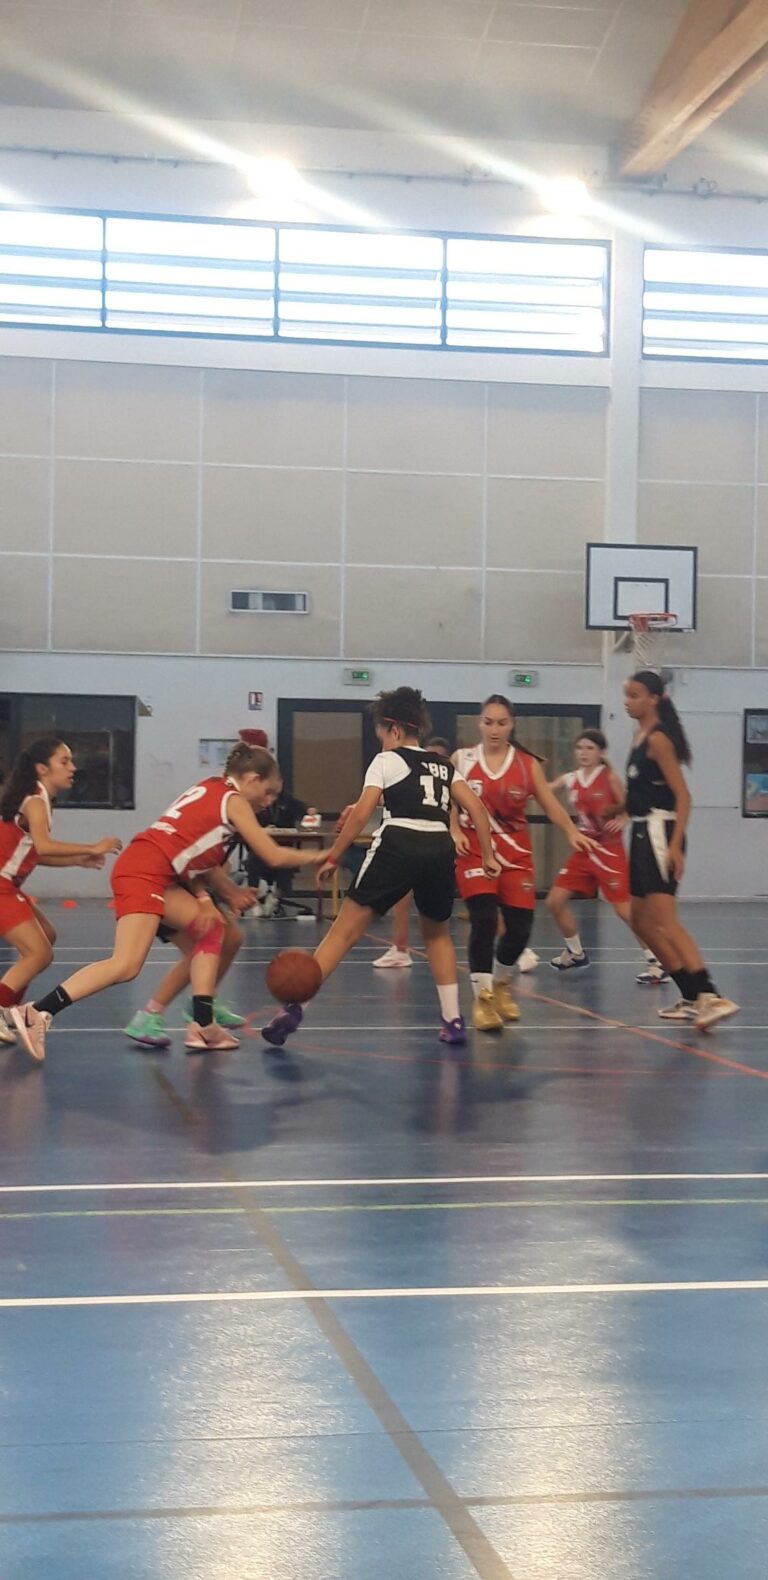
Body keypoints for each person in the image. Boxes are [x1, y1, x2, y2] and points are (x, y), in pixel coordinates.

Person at [10, 742, 324, 1063]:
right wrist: (321, 855)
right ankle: (39, 1012)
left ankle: (199, 1017)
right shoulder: (233, 800)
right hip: (146, 873)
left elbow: (192, 857)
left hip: (158, 872)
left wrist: (211, 896)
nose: (268, 802)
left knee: (215, 932)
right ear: (253, 779)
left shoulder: (210, 789)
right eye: (268, 793)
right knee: (125, 965)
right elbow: (271, 854)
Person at [261, 688, 499, 1049]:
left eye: (382, 735)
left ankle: (296, 1008)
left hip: (398, 843)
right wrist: (488, 856)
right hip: (438, 848)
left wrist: (334, 855)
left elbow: (361, 814)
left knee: (343, 932)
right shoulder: (443, 765)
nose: (382, 742)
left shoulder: (386, 760)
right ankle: (453, 1020)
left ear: (395, 730)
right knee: (437, 935)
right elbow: (477, 809)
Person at [453, 695, 597, 1033]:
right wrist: (454, 828)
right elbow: (448, 799)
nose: (494, 729)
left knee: (519, 930)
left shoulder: (526, 765)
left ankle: (501, 985)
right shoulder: (462, 759)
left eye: (502, 723)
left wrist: (571, 831)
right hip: (476, 851)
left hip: (516, 855)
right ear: (479, 723)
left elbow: (551, 805)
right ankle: (482, 999)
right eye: (489, 722)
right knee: (484, 920)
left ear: (512, 725)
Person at [624, 670, 738, 1032]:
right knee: (640, 921)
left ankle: (712, 996)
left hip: (661, 831)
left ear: (653, 699)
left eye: (634, 695)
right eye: (626, 695)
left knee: (665, 920)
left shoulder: (659, 740)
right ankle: (691, 995)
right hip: (641, 831)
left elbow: (684, 796)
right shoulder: (638, 737)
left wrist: (675, 846)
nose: (627, 701)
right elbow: (639, 794)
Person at [0, 737, 122, 1047]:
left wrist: (78, 860)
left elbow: (34, 854)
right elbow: (44, 846)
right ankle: (3, 1007)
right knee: (39, 953)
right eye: (64, 761)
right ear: (42, 768)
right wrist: (92, 846)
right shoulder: (35, 801)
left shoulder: (39, 799)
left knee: (46, 935)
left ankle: (8, 1005)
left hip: (8, 886)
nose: (73, 768)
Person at [545, 728, 669, 983]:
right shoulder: (571, 778)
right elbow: (543, 790)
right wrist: (526, 777)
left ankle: (658, 962)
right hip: (584, 849)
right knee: (554, 901)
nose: (583, 753)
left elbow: (631, 802)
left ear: (601, 752)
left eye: (589, 748)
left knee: (626, 911)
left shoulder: (609, 777)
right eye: (580, 748)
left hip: (609, 851)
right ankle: (575, 953)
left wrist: (624, 818)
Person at [123, 861, 258, 1047]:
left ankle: (207, 1001)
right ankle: (151, 1014)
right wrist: (210, 897)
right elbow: (194, 864)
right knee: (199, 951)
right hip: (164, 886)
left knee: (232, 938)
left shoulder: (217, 847)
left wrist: (231, 895)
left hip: (187, 884)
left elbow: (213, 867)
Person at [372, 736, 453, 970]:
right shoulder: (402, 771)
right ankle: (400, 948)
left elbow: (462, 807)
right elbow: (380, 797)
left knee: (477, 902)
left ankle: (515, 948)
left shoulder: (447, 780)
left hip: (435, 844)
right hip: (412, 843)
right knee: (404, 897)